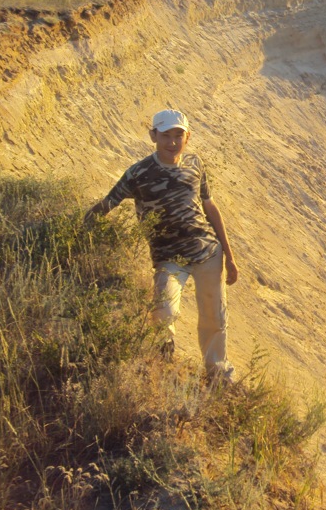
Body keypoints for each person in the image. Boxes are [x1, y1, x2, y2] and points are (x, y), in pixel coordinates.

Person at [85, 109, 239, 383]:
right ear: (153, 135)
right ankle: (163, 367)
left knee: (214, 319)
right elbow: (109, 202)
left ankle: (219, 377)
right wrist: (77, 228)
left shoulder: (195, 164)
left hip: (207, 251)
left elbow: (210, 207)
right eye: (165, 135)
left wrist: (229, 255)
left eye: (178, 135)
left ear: (187, 136)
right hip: (168, 256)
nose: (172, 142)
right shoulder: (139, 172)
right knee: (164, 312)